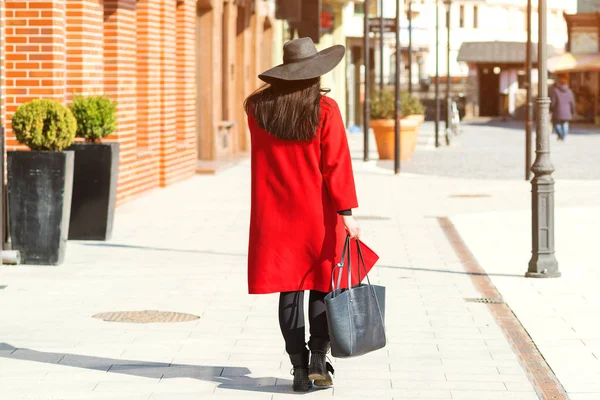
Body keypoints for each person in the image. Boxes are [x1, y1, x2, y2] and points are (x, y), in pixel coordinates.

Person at [243, 37, 376, 392]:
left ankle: (299, 369)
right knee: (322, 284)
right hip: (317, 212)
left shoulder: (257, 109)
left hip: (275, 213)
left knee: (289, 291)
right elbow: (336, 165)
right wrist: (346, 212)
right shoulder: (325, 110)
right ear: (314, 73)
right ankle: (320, 356)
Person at [551, 74, 575, 141]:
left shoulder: (556, 91)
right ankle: (563, 136)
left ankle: (560, 134)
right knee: (565, 123)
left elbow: (553, 102)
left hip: (557, 111)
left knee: (557, 124)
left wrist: (551, 109)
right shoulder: (569, 91)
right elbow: (572, 102)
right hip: (567, 111)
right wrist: (573, 110)